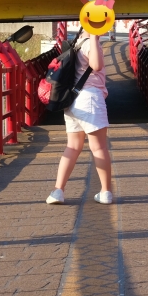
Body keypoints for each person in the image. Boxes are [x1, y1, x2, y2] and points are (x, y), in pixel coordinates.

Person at [46, 30, 112, 205]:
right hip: (90, 98)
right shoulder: (91, 42)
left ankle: (58, 191)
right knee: (99, 148)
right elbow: (96, 66)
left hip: (73, 100)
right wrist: (95, 39)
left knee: (73, 147)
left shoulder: (77, 42)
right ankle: (105, 192)